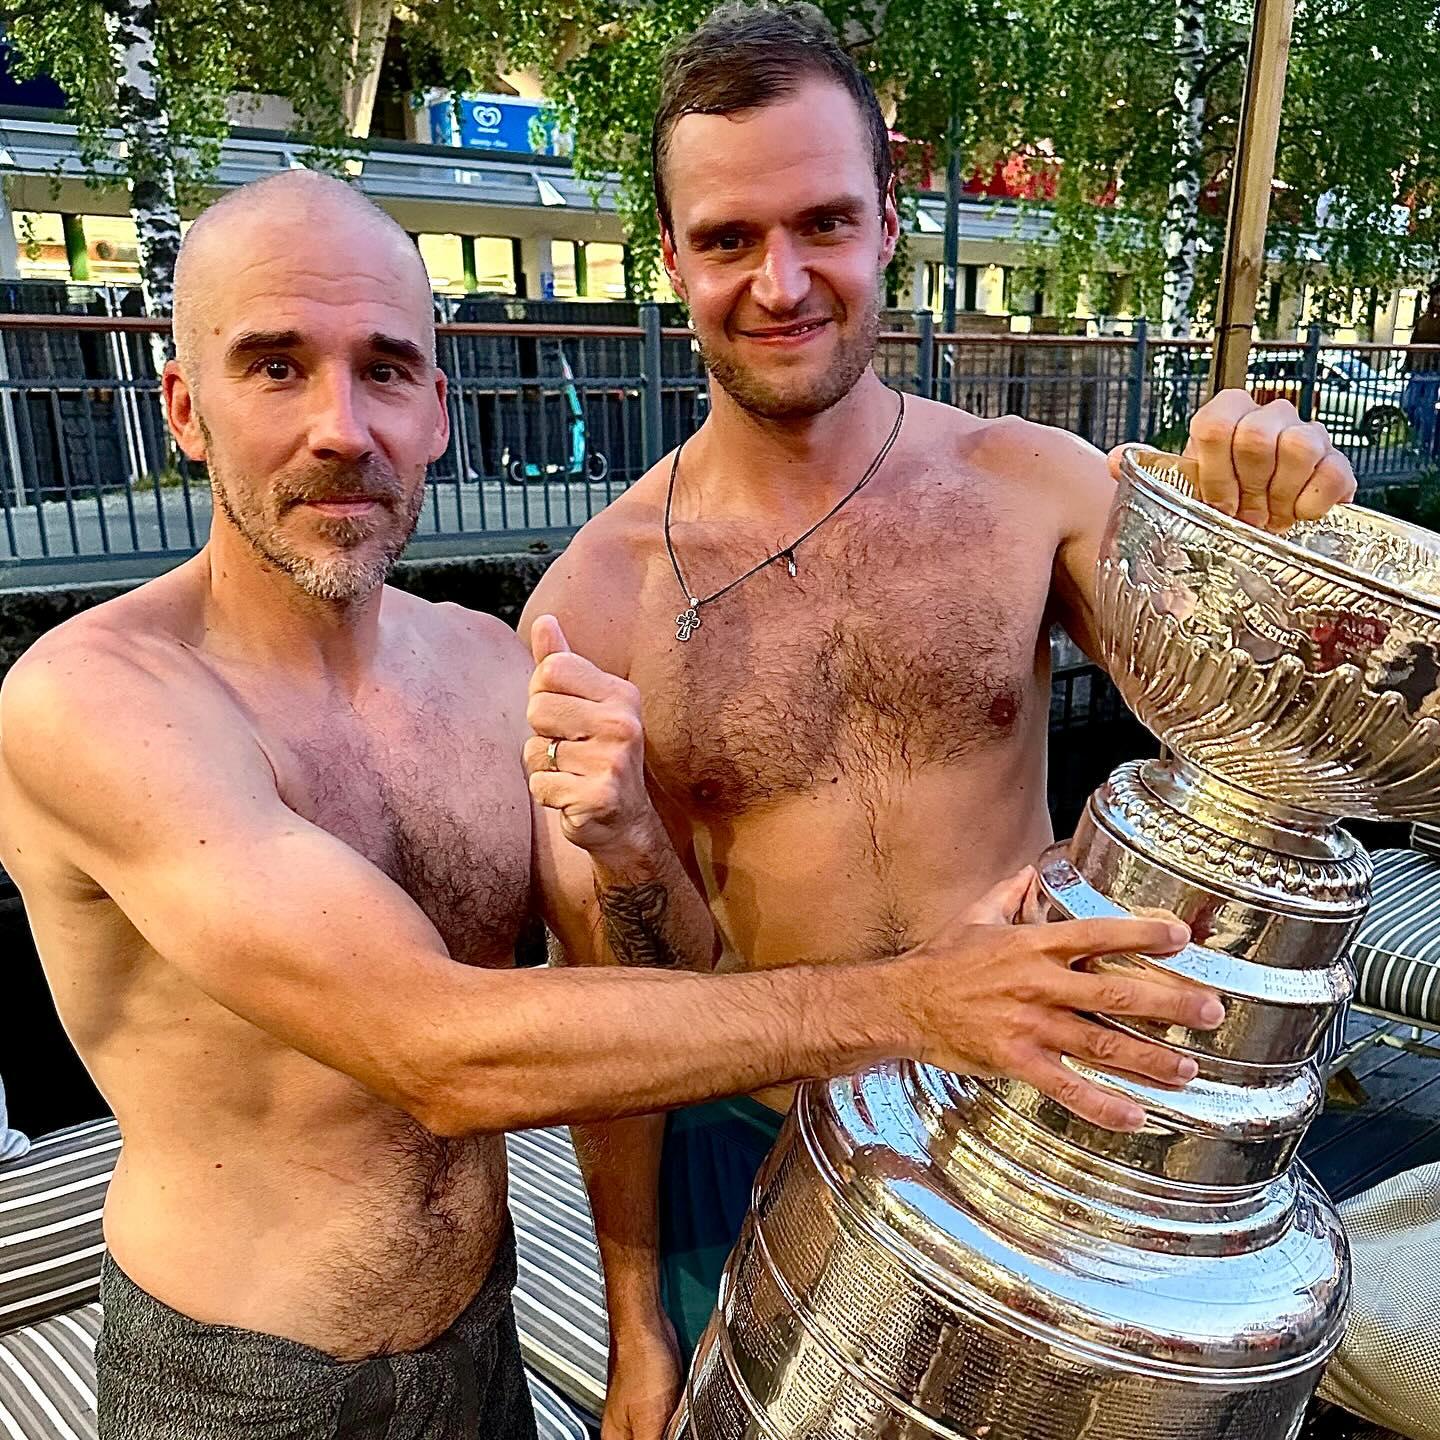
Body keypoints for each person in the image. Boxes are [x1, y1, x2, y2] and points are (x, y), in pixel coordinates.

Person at [0, 170, 1216, 1440]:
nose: (341, 428)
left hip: (481, 1334)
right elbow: (434, 1047)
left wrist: (633, 846)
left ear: (439, 410)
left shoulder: (488, 668)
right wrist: (919, 1001)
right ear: (185, 411)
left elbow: (647, 979)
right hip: (244, 1378)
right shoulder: (96, 701)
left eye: (386, 370)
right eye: (275, 368)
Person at [518, 5, 1359, 1436]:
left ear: (889, 224)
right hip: (764, 1147)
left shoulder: (1027, 487)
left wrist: (1283, 529)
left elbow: (1260, 713)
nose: (781, 281)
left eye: (824, 223)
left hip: (1043, 1134)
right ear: (668, 259)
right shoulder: (595, 602)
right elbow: (624, 1015)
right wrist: (636, 1332)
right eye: (728, 239)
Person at [1403, 282, 1440, 462]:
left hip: (1434, 372)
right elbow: (1413, 343)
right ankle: (1420, 436)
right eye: (1436, 295)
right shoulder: (1423, 320)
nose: (1438, 298)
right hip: (1418, 370)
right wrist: (1407, 364)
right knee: (1408, 404)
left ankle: (1424, 445)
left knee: (1427, 408)